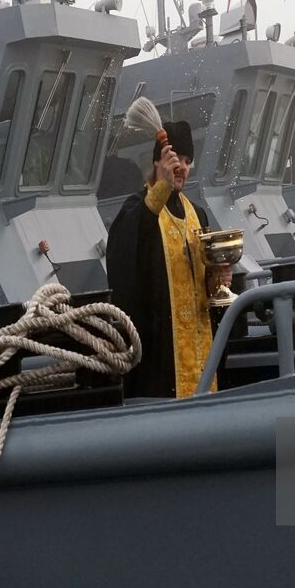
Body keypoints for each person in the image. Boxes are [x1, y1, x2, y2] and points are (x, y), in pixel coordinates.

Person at [105, 121, 219, 399]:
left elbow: (203, 281)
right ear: (159, 160)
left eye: (188, 160)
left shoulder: (198, 215)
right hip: (160, 354)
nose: (183, 166)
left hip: (200, 351)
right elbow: (127, 259)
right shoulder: (137, 209)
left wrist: (217, 278)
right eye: (176, 158)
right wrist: (161, 188)